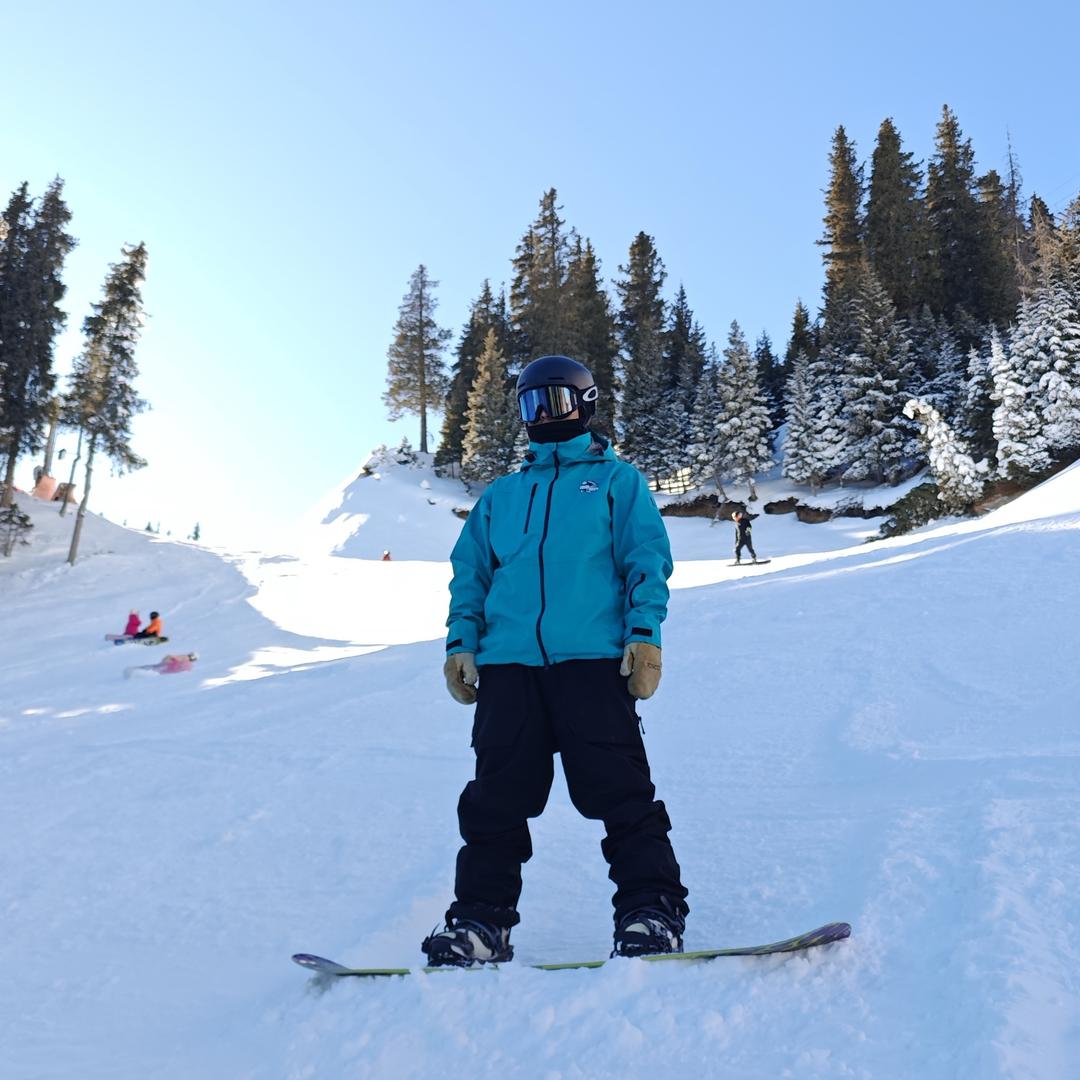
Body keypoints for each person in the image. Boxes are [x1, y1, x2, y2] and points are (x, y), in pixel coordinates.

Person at [423, 355, 688, 968]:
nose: (543, 415)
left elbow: (645, 560)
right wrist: (461, 643)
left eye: (556, 401)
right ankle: (480, 923)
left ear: (585, 404)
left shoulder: (617, 482)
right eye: (531, 404)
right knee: (494, 801)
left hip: (592, 662)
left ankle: (651, 911)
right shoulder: (503, 495)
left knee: (621, 792)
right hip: (508, 669)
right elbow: (471, 574)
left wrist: (644, 634)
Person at [125, 652, 198, 678]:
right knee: (151, 670)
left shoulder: (185, 657)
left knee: (150, 668)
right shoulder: (189, 666)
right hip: (166, 671)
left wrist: (165, 660)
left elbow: (170, 657)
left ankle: (132, 670)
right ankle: (134, 672)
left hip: (165, 667)